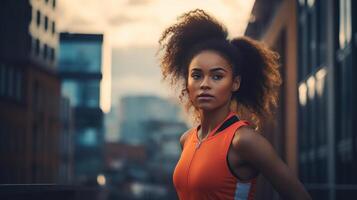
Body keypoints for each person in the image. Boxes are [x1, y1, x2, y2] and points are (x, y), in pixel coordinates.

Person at [158, 9, 312, 200]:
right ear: (187, 82)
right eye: (197, 75)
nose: (205, 84)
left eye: (217, 76)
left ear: (235, 83)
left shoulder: (244, 141)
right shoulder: (187, 139)